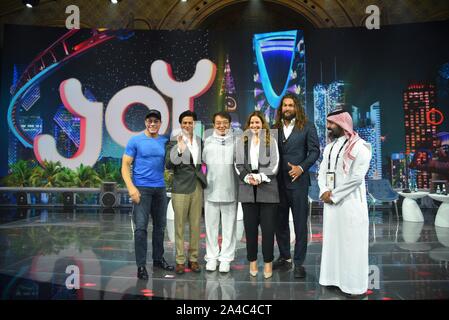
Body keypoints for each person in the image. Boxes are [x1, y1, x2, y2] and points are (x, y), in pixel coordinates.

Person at [318, 109, 372, 297]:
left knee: (351, 245)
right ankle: (332, 279)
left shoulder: (361, 147)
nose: (328, 126)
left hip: (350, 204)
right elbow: (322, 172)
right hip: (331, 206)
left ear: (342, 124)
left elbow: (356, 178)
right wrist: (324, 190)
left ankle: (353, 286)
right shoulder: (329, 148)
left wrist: (333, 195)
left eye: (331, 123)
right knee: (334, 243)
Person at [121, 110, 174, 281]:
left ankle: (158, 260)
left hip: (160, 189)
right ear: (145, 122)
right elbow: (125, 165)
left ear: (160, 123)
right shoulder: (135, 140)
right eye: (150, 121)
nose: (152, 124)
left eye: (156, 121)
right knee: (141, 229)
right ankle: (141, 266)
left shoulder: (164, 140)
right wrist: (131, 188)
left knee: (160, 228)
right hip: (141, 190)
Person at [273, 93, 320, 278]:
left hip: (298, 183)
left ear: (296, 107)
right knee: (280, 223)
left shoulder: (307, 126)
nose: (287, 108)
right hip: (277, 183)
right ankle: (285, 257)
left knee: (300, 225)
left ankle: (299, 262)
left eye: (290, 105)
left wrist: (301, 168)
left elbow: (315, 151)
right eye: (284, 105)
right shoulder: (274, 128)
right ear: (281, 108)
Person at [235, 111, 280, 279]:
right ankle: (252, 262)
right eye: (252, 123)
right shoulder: (242, 142)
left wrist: (260, 177)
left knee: (268, 230)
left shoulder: (271, 141)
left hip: (267, 188)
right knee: (250, 230)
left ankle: (268, 263)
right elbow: (237, 164)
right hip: (248, 189)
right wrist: (247, 177)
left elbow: (275, 165)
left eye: (258, 123)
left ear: (263, 124)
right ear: (248, 125)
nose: (255, 126)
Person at [165, 110, 207, 275]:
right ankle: (180, 261)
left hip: (196, 187)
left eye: (190, 123)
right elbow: (168, 164)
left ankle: (194, 259)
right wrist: (179, 150)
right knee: (180, 226)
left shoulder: (199, 141)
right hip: (180, 188)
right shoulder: (173, 142)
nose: (188, 125)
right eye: (185, 123)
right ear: (181, 125)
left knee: (196, 225)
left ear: (194, 125)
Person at [202, 111, 238, 273]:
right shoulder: (207, 142)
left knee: (229, 227)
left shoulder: (237, 142)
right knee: (211, 226)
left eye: (225, 122)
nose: (221, 125)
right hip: (210, 190)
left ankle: (226, 258)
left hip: (231, 189)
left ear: (229, 124)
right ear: (213, 124)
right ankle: (211, 257)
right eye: (218, 123)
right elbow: (202, 161)